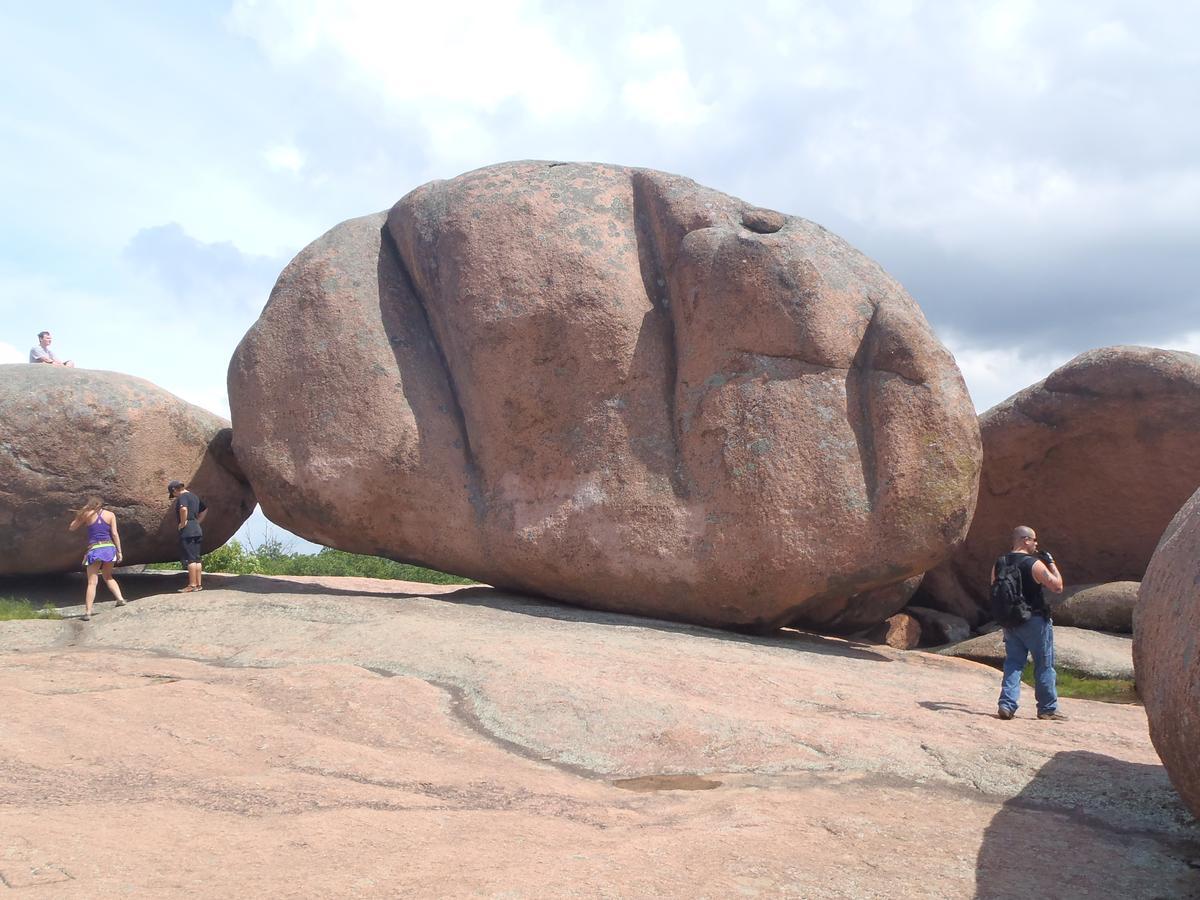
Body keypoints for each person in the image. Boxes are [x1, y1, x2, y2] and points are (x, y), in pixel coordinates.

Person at [992, 525, 1066, 721]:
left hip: (1010, 621)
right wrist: (1051, 563)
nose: (1036, 544)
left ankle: (1006, 704)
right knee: (1044, 664)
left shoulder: (1000, 563)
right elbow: (1057, 586)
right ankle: (1047, 708)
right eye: (1034, 540)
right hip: (1035, 620)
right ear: (1026, 540)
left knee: (1013, 663)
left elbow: (994, 589)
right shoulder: (1034, 564)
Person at [68, 497, 127, 621]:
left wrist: (82, 511)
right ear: (102, 504)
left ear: (90, 504)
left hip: (95, 548)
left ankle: (88, 612)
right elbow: (114, 533)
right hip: (109, 548)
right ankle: (120, 599)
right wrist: (119, 551)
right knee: (108, 576)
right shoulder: (110, 514)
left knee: (92, 582)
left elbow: (72, 527)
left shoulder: (87, 514)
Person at [169, 480, 207, 592]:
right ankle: (198, 585)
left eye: (173, 494)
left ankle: (192, 585)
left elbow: (183, 509)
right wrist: (197, 521)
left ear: (174, 490)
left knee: (190, 558)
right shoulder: (194, 497)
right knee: (197, 558)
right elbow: (205, 509)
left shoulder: (183, 496)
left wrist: (182, 523)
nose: (175, 496)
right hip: (197, 529)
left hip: (188, 530)